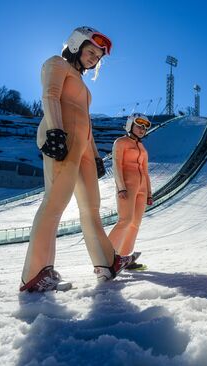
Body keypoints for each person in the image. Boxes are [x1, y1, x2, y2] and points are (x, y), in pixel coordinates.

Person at [20, 27, 138, 292]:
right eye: (91, 51)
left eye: (98, 56)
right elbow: (49, 95)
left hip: (82, 145)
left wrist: (95, 156)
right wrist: (55, 132)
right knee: (55, 202)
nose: (95, 58)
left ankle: (106, 262)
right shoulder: (56, 63)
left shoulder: (82, 84)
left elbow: (87, 122)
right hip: (62, 136)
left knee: (91, 207)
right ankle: (35, 273)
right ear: (76, 45)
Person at [108, 113, 153, 270]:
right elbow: (117, 165)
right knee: (125, 220)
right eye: (139, 125)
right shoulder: (121, 142)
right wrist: (121, 186)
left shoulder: (142, 148)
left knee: (135, 224)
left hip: (141, 188)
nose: (142, 129)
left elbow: (145, 171)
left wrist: (149, 193)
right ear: (130, 125)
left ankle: (125, 257)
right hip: (127, 186)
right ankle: (106, 256)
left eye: (145, 127)